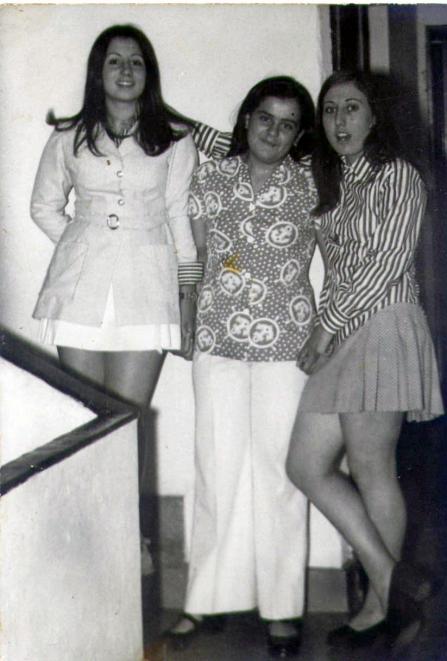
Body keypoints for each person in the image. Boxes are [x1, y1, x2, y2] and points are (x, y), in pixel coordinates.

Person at [30, 24, 202, 572]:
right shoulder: (68, 136)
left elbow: (179, 217)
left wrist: (187, 293)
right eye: (114, 61)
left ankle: (130, 537)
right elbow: (43, 206)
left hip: (147, 289)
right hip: (79, 292)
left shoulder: (175, 138)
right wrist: (84, 244)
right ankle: (82, 539)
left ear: (148, 73)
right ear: (98, 73)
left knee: (127, 421)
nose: (126, 71)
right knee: (83, 420)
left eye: (136, 62)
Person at [286, 70, 444, 654]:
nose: (339, 121)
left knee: (372, 466)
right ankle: (392, 580)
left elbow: (385, 264)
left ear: (376, 116)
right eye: (329, 111)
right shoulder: (332, 179)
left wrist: (324, 326)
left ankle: (380, 608)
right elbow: (245, 139)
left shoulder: (398, 175)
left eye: (352, 108)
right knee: (305, 465)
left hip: (383, 325)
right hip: (343, 331)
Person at [168, 76, 318, 658]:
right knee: (215, 467)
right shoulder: (212, 177)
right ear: (248, 119)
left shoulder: (313, 183)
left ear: (299, 134)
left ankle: (283, 610)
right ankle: (204, 600)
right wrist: (184, 316)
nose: (273, 132)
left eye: (287, 124)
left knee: (280, 475)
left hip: (288, 344)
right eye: (265, 119)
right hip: (218, 340)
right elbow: (196, 256)